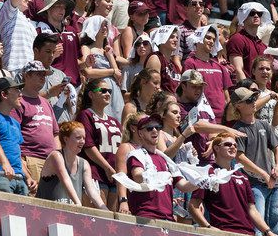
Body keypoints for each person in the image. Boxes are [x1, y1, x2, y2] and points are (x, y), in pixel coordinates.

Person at [189, 133, 278, 236]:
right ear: (216, 148)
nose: (233, 147)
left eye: (235, 145)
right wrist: (208, 227)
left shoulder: (243, 177)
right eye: (228, 144)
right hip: (222, 235)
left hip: (248, 235)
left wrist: (267, 231)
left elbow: (252, 209)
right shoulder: (207, 173)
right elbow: (193, 205)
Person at [124, 114, 200, 220]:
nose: (154, 130)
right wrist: (155, 176)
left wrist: (201, 181)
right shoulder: (137, 155)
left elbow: (183, 185)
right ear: (140, 133)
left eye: (157, 127)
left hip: (168, 217)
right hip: (146, 215)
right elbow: (137, 176)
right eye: (149, 128)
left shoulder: (165, 159)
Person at [231, 86, 278, 235]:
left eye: (254, 98)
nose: (254, 102)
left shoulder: (264, 124)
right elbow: (240, 157)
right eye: (249, 100)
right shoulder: (238, 129)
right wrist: (263, 174)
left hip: (272, 181)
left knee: (275, 221)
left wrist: (277, 167)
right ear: (238, 106)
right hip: (253, 183)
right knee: (258, 225)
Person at [0, 76, 35, 195]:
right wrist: (4, 164)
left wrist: (28, 176)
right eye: (16, 90)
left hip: (18, 177)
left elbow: (17, 153)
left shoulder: (15, 122)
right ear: (4, 94)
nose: (21, 94)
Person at [78, 77, 123, 209]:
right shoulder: (86, 115)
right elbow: (88, 146)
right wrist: (106, 167)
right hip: (96, 172)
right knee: (100, 215)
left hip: (115, 175)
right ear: (91, 94)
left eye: (109, 91)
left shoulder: (114, 121)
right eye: (103, 91)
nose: (107, 94)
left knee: (113, 220)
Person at [37, 120, 104, 206]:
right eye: (78, 137)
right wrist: (78, 204)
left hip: (69, 214)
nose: (82, 141)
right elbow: (65, 180)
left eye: (84, 138)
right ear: (66, 139)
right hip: (48, 211)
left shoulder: (84, 164)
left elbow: (91, 191)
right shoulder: (56, 156)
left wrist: (105, 210)